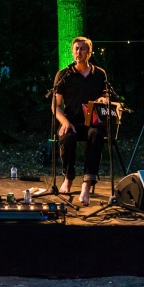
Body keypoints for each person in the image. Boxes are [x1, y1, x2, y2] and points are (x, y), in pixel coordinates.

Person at [52, 36, 113, 206]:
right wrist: (64, 121)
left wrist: (103, 100)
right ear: (72, 51)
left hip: (92, 122)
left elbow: (106, 96)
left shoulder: (99, 74)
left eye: (82, 49)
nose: (79, 52)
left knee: (96, 134)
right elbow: (55, 106)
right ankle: (68, 177)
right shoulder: (63, 75)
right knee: (67, 137)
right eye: (76, 49)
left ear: (89, 52)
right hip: (71, 121)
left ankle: (87, 182)